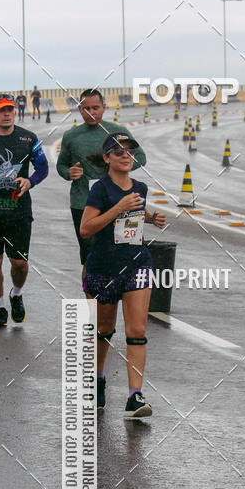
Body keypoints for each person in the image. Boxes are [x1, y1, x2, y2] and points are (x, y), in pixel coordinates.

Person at [79, 133, 165, 419]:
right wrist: (117, 209)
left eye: (129, 151)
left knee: (137, 331)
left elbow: (135, 214)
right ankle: (98, 378)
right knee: (104, 329)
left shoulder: (140, 187)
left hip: (137, 263)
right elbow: (86, 229)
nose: (125, 155)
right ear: (107, 158)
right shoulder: (100, 190)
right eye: (118, 151)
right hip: (103, 267)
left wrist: (151, 218)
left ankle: (134, 397)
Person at [57, 88, 147, 277]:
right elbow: (61, 166)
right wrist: (69, 172)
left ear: (104, 108)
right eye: (86, 108)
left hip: (117, 202)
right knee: (90, 257)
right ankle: (90, 304)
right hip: (83, 203)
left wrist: (119, 167)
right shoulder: (71, 136)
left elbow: (141, 158)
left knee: (121, 254)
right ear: (80, 110)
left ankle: (116, 298)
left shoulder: (118, 132)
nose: (91, 112)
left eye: (95, 107)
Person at [0, 94, 48, 327]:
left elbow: (43, 167)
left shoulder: (28, 138)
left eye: (10, 110)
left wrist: (30, 181)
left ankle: (16, 294)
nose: (6, 113)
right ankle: (0, 307)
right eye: (1, 110)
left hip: (19, 212)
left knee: (19, 264)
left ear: (15, 112)